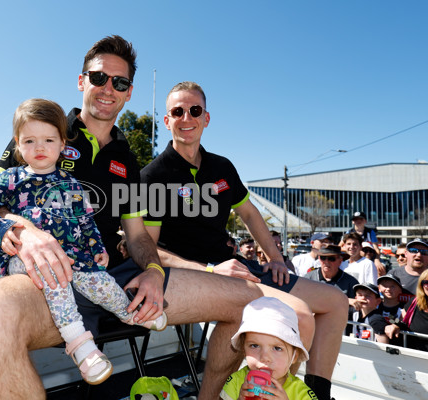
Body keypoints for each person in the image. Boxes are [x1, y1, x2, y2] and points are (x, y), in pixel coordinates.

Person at [0, 36, 292, 400]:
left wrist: (153, 271)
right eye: (99, 78)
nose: (108, 89)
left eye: (120, 82)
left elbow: (138, 237)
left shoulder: (127, 159)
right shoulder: (43, 131)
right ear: (82, 81)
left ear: (129, 92)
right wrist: (26, 231)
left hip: (114, 277)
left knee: (250, 298)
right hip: (46, 278)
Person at [140, 81, 348, 400]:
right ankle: (272, 393)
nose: (186, 118)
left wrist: (275, 258)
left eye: (194, 110)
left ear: (206, 118)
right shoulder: (153, 176)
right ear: (166, 120)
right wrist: (210, 270)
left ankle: (316, 395)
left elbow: (250, 215)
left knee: (335, 301)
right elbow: (149, 249)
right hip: (194, 274)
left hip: (239, 267)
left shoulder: (222, 168)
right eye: (177, 111)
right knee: (301, 314)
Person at [0, 98, 167, 384]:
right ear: (17, 143)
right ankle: (80, 346)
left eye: (48, 140)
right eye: (29, 140)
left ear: (62, 144)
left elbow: (85, 220)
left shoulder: (71, 183)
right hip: (23, 260)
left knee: (100, 281)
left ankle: (129, 313)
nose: (39, 148)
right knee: (56, 278)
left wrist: (98, 249)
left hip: (73, 257)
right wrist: (5, 230)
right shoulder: (11, 179)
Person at [220, 297, 316, 400]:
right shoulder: (236, 381)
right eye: (254, 346)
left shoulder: (302, 393)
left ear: (294, 356)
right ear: (244, 350)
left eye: (277, 348)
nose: (265, 357)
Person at [384, 269, 428, 352]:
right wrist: (395, 325)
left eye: (392, 286)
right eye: (427, 283)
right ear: (421, 285)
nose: (388, 289)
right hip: (411, 356)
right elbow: (400, 322)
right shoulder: (414, 302)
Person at [339, 211, 386, 276]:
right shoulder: (349, 232)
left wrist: (377, 260)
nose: (358, 221)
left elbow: (376, 248)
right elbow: (339, 247)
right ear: (352, 221)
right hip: (354, 257)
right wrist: (356, 250)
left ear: (365, 221)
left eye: (361, 219)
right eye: (355, 219)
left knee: (380, 268)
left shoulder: (370, 232)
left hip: (369, 257)